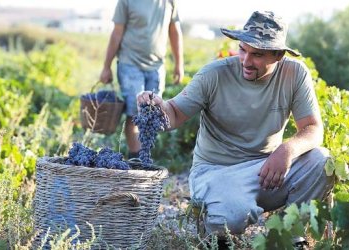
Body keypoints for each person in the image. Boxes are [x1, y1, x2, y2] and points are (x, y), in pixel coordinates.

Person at [137, 10, 334, 246]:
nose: (246, 61)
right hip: (215, 172)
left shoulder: (294, 74)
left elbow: (313, 128)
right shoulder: (215, 75)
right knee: (230, 216)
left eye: (257, 55)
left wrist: (287, 150)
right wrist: (159, 107)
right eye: (243, 49)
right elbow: (175, 114)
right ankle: (214, 224)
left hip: (266, 170)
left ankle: (289, 236)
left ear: (278, 55)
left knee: (322, 161)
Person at [99, 0, 184, 159]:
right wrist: (106, 66)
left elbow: (174, 31)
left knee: (152, 113)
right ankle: (136, 158)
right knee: (134, 113)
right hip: (130, 63)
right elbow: (117, 33)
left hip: (157, 66)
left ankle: (144, 156)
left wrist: (179, 64)